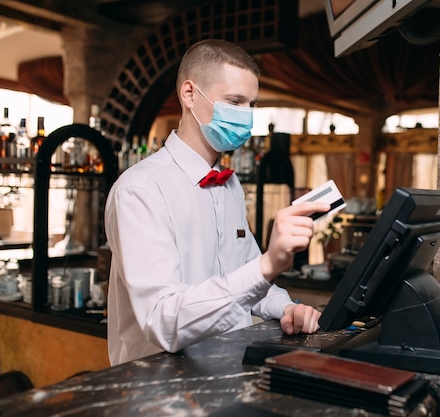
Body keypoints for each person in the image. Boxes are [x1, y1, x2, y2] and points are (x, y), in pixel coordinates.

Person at [104, 39, 329, 366]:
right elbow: (164, 321)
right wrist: (269, 264)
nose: (246, 116)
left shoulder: (230, 185)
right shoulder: (140, 190)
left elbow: (246, 274)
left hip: (227, 369)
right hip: (157, 386)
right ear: (190, 94)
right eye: (234, 101)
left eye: (251, 105)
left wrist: (287, 307)